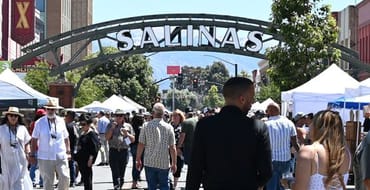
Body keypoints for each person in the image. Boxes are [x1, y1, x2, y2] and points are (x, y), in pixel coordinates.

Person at [186, 77, 272, 189]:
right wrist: (255, 184)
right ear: (242, 99)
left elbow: (195, 170)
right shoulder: (259, 128)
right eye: (251, 98)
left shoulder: (204, 126)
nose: (252, 103)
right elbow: (266, 171)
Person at [292, 110, 351, 190]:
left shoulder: (309, 152)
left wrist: (290, 183)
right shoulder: (346, 152)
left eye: (312, 122)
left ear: (317, 126)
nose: (309, 125)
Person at [29, 99, 71, 190]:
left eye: (52, 109)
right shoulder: (39, 123)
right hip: (45, 156)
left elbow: (66, 137)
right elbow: (34, 139)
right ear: (46, 109)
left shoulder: (61, 121)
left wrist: (68, 151)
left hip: (60, 154)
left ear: (56, 110)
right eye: (49, 109)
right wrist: (32, 154)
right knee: (48, 181)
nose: (50, 111)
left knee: (65, 177)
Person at [136, 103, 177, 190]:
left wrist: (138, 159)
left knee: (151, 186)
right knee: (164, 186)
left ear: (153, 113)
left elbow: (141, 144)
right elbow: (172, 147)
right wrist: (174, 163)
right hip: (164, 162)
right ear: (163, 114)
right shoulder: (169, 127)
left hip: (149, 161)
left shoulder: (146, 126)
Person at [265, 102, 299, 190]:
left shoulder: (266, 124)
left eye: (267, 111)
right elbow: (295, 143)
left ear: (270, 111)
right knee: (283, 185)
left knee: (272, 186)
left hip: (272, 160)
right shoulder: (289, 123)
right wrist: (300, 155)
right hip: (286, 160)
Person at [0, 106, 33, 190]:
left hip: (20, 161)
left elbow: (27, 143)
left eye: (15, 116)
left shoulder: (22, 129)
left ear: (18, 117)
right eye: (11, 115)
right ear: (7, 116)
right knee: (7, 183)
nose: (13, 117)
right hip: (6, 162)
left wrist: (28, 152)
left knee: (19, 182)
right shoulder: (1, 129)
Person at [105, 109, 135, 190]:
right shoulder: (110, 125)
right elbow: (107, 137)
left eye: (120, 116)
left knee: (122, 171)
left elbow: (132, 140)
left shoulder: (128, 126)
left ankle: (120, 184)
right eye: (117, 115)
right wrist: (112, 128)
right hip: (113, 150)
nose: (118, 117)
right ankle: (116, 186)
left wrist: (127, 134)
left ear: (123, 117)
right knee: (115, 171)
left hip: (123, 151)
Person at [75, 114, 100, 190]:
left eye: (84, 124)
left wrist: (91, 159)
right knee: (84, 178)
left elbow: (95, 148)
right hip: (81, 159)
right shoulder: (83, 134)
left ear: (89, 124)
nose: (82, 126)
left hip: (87, 159)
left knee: (87, 179)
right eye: (81, 124)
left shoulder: (91, 134)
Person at [29, 109, 46, 188]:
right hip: (39, 147)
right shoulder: (39, 124)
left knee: (33, 166)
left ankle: (31, 181)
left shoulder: (32, 123)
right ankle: (41, 182)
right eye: (42, 115)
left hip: (34, 147)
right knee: (42, 166)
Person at [171, 109, 186, 188]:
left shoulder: (183, 125)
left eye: (176, 115)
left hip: (179, 149)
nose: (174, 117)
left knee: (178, 166)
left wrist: (179, 147)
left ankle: (175, 184)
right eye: (173, 115)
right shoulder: (170, 125)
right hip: (169, 148)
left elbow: (184, 137)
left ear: (180, 117)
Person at [64, 111, 79, 187]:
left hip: (71, 148)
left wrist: (75, 147)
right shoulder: (66, 125)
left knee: (71, 164)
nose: (65, 117)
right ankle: (69, 180)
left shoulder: (71, 125)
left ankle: (72, 180)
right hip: (67, 148)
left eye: (66, 116)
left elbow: (76, 137)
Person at [130, 114, 145, 189]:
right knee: (139, 164)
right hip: (139, 146)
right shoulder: (141, 128)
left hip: (133, 146)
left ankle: (135, 181)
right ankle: (135, 181)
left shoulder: (132, 127)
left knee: (135, 163)